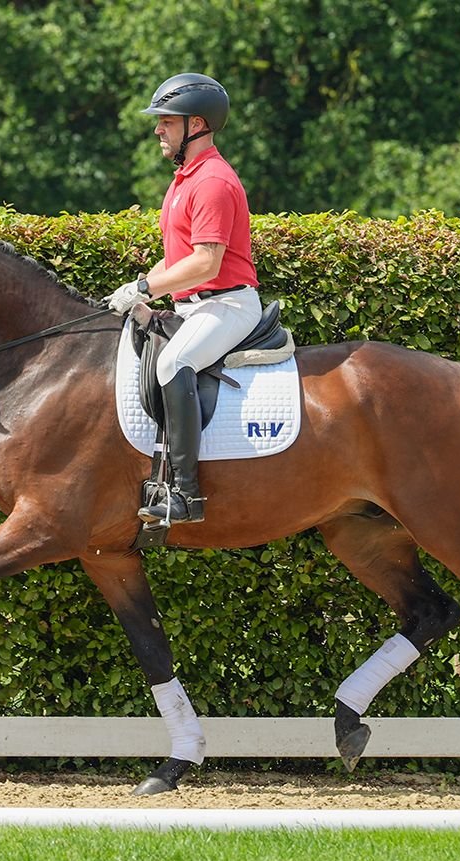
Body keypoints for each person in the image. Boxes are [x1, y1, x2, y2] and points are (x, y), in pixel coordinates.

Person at [105, 72, 262, 525]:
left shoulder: (212, 180)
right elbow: (179, 260)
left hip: (228, 305)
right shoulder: (183, 181)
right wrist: (137, 287)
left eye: (167, 121)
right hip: (194, 306)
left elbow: (207, 264)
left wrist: (147, 289)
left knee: (174, 363)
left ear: (196, 124)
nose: (158, 129)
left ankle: (185, 495)